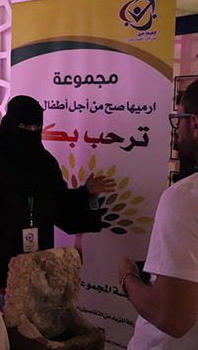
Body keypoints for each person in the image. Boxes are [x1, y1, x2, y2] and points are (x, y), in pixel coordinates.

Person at [0, 95, 116, 304]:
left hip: (33, 258)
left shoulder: (46, 163)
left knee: (30, 313)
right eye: (25, 126)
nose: (31, 133)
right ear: (11, 124)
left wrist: (86, 192)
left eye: (37, 127)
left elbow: (60, 204)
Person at [118, 79, 198, 348]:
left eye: (179, 120)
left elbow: (172, 318)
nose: (177, 131)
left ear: (194, 123)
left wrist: (127, 276)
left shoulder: (184, 198)